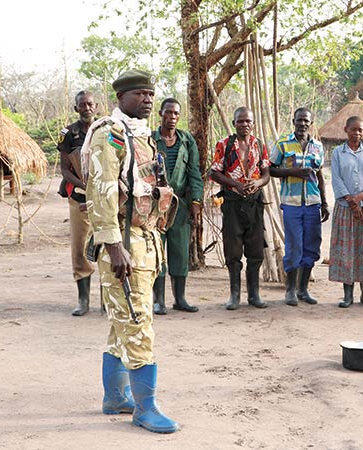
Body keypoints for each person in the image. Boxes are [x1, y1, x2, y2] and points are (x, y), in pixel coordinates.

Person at [83, 69, 179, 433]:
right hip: (123, 245)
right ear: (121, 98)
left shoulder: (142, 135)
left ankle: (116, 396)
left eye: (151, 94)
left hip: (145, 240)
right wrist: (113, 245)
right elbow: (102, 192)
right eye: (140, 94)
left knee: (121, 323)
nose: (149, 100)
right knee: (138, 325)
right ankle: (145, 408)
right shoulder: (111, 135)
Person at [208, 107, 271, 310]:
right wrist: (236, 184)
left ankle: (254, 294)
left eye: (248, 121)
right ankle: (234, 295)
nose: (245, 124)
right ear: (234, 123)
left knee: (256, 250)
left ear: (253, 123)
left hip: (254, 203)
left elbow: (266, 174)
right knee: (233, 249)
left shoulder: (259, 145)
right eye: (240, 121)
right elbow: (214, 173)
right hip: (233, 203)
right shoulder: (224, 145)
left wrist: (257, 183)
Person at [269, 107, 330, 306]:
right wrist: (293, 171)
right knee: (294, 246)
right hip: (292, 203)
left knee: (311, 246)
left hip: (313, 203)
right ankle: (290, 290)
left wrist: (324, 202)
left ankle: (303, 289)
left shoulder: (318, 146)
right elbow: (271, 169)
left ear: (311, 123)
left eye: (306, 121)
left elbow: (319, 175)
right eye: (299, 120)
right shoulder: (283, 144)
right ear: (293, 120)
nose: (302, 124)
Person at [151, 98, 203, 315]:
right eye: (168, 113)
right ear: (160, 113)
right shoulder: (150, 139)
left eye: (176, 114)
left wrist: (196, 201)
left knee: (180, 250)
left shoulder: (186, 140)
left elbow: (194, 172)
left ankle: (180, 299)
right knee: (156, 250)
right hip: (155, 204)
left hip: (180, 204)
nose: (172, 118)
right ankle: (158, 300)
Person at [329, 116, 363, 308]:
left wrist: (360, 198)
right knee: (346, 250)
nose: (357, 133)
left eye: (360, 130)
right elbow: (336, 179)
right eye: (354, 129)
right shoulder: (338, 153)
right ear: (345, 130)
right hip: (345, 208)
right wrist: (351, 202)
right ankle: (347, 295)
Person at [58, 90, 98, 316]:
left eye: (90, 104)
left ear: (97, 106)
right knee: (80, 246)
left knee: (107, 242)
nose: (87, 108)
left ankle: (109, 299)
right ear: (76, 108)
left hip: (104, 197)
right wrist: (84, 185)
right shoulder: (69, 133)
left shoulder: (104, 130)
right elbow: (64, 168)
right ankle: (83, 300)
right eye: (82, 105)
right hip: (79, 196)